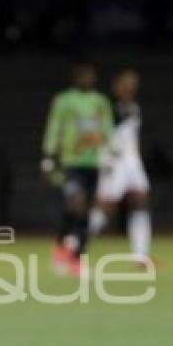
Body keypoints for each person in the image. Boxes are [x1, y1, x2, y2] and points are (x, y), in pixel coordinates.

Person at [41, 60, 113, 276]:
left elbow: (107, 129)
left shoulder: (100, 101)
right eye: (83, 75)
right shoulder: (64, 100)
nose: (87, 79)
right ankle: (69, 251)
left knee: (86, 211)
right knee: (76, 205)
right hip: (70, 161)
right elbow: (55, 125)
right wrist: (49, 153)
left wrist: (108, 151)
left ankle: (71, 252)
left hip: (92, 162)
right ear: (76, 78)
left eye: (90, 76)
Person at [89, 69, 153, 267]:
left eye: (132, 84)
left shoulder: (133, 107)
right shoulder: (108, 107)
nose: (129, 88)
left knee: (141, 202)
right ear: (116, 86)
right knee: (105, 208)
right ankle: (73, 245)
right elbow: (96, 132)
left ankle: (141, 257)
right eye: (125, 84)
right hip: (114, 161)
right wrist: (104, 156)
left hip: (133, 163)